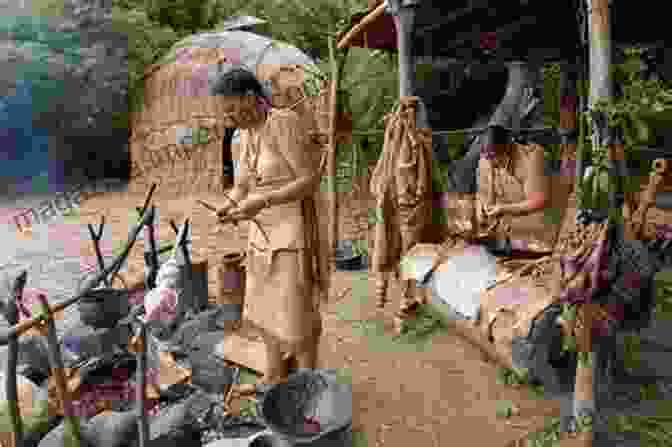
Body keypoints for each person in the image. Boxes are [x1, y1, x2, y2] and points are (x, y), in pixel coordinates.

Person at [210, 67, 328, 390]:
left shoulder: (284, 123)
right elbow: (242, 185)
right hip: (260, 234)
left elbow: (308, 181)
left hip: (292, 232)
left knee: (296, 312)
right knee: (262, 309)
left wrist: (263, 201)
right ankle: (274, 374)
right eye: (225, 112)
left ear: (251, 97)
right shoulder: (240, 137)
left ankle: (308, 384)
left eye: (232, 108)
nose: (229, 117)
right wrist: (229, 204)